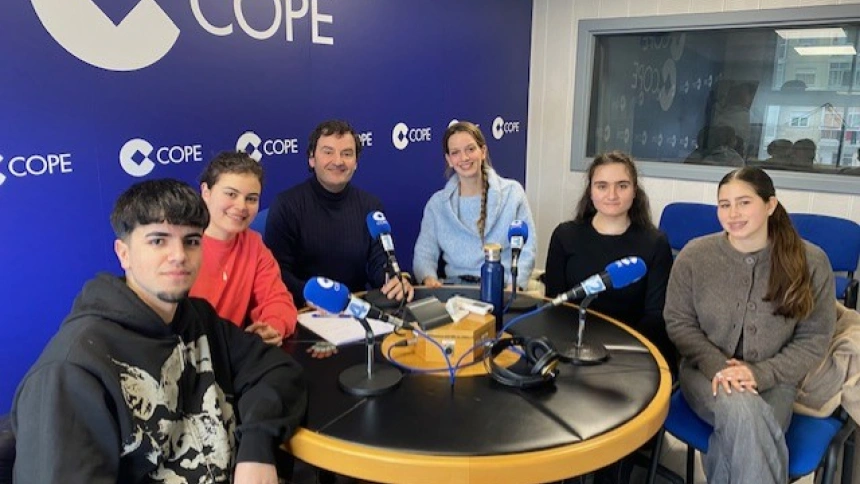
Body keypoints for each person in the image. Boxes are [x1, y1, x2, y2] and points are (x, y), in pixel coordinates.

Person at [12, 179, 307, 483]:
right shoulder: (71, 369)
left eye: (191, 241)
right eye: (158, 240)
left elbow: (278, 370)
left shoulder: (198, 319)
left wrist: (256, 448)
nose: (179, 255)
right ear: (123, 253)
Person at [664, 167, 836, 484]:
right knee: (743, 412)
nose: (733, 214)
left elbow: (814, 339)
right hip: (704, 373)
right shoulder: (694, 256)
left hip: (776, 380)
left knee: (742, 429)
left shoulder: (811, 261)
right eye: (724, 204)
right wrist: (720, 367)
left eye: (744, 202)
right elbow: (679, 322)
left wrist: (759, 373)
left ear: (770, 205)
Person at [545, 151, 675, 372]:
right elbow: (556, 305)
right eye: (602, 186)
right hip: (573, 348)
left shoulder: (655, 243)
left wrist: (611, 353)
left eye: (622, 186)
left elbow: (655, 318)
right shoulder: (565, 236)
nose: (612, 195)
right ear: (591, 191)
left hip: (630, 354)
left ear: (635, 191)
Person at [265, 120, 413, 308]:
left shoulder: (371, 206)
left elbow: (380, 265)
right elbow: (278, 273)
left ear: (356, 162)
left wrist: (394, 281)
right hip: (305, 310)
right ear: (312, 159)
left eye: (347, 154)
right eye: (328, 152)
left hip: (356, 308)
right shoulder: (287, 205)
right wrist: (314, 297)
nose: (338, 161)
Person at [190, 151, 297, 345]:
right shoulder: (181, 245)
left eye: (251, 198)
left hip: (235, 353)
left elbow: (277, 299)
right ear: (206, 192)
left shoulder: (254, 244)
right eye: (231, 194)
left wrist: (272, 327)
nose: (241, 206)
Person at [412, 121, 536, 289]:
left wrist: (515, 286)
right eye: (455, 153)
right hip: (455, 291)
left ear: (483, 151)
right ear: (449, 160)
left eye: (470, 149)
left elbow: (527, 249)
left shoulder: (513, 193)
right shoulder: (437, 205)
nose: (464, 158)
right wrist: (429, 280)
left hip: (501, 288)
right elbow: (424, 254)